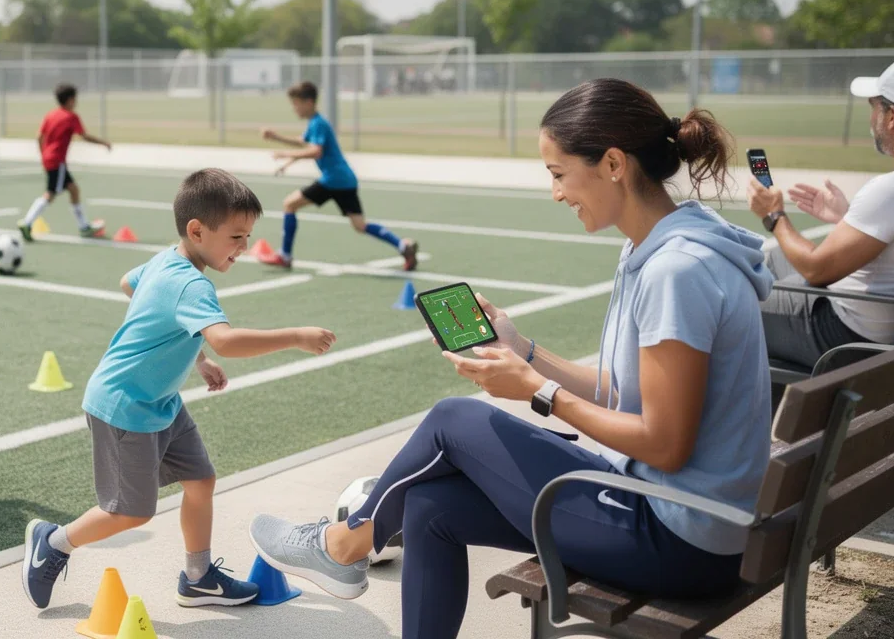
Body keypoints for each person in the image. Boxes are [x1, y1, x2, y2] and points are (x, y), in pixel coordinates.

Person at [250, 78, 775, 637]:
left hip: (682, 541)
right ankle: (348, 545)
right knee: (429, 506)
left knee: (454, 418)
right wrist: (523, 351)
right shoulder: (662, 247)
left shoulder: (677, 271)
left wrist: (537, 392)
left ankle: (342, 546)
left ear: (613, 164)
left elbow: (666, 445)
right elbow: (625, 393)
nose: (556, 193)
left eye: (558, 174)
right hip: (674, 515)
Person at [21, 169, 337, 610]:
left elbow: (129, 283)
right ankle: (53, 542)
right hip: (125, 406)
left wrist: (197, 358)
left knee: (200, 480)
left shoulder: (167, 260)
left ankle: (198, 577)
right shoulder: (191, 283)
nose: (245, 247)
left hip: (161, 402)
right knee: (130, 512)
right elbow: (226, 340)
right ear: (197, 230)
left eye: (248, 236)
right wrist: (296, 336)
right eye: (236, 237)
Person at [748, 58, 894, 368]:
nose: (872, 117)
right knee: (773, 259)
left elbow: (816, 270)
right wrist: (846, 217)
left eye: (875, 106)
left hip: (845, 334)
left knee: (730, 302)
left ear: (892, 116)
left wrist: (774, 216)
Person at [258, 81, 418, 270]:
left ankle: (285, 256)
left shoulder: (318, 123)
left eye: (296, 103)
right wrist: (277, 140)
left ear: (308, 102)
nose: (294, 108)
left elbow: (315, 151)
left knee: (289, 204)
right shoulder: (315, 123)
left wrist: (286, 155)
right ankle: (403, 246)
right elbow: (304, 143)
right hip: (345, 180)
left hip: (333, 180)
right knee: (360, 225)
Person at [18, 83, 112, 241]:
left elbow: (39, 137)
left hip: (49, 158)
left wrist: (44, 155)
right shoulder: (71, 117)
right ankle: (27, 222)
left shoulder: (50, 115)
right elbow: (84, 136)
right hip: (57, 161)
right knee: (50, 194)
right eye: (75, 99)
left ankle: (84, 226)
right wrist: (103, 143)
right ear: (70, 100)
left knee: (73, 189)